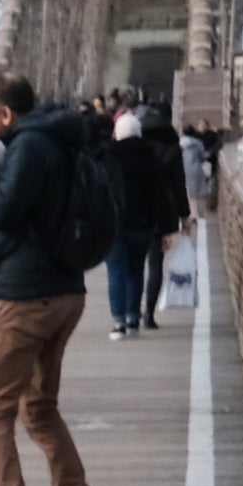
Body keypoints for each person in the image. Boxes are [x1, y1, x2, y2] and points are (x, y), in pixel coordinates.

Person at [0, 68, 105, 486]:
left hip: (24, 297)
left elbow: (1, 209)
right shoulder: (56, 141)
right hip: (63, 290)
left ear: (5, 113)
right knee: (38, 407)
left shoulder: (30, 147)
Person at [103, 88, 191, 334]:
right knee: (139, 270)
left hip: (116, 224)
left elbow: (102, 193)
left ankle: (119, 321)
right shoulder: (152, 158)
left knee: (116, 272)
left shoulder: (108, 159)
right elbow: (164, 193)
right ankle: (138, 317)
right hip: (144, 223)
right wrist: (171, 224)